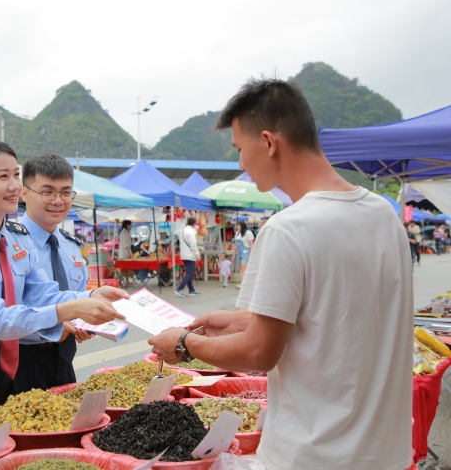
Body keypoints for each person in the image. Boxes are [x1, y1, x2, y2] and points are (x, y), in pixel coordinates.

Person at [149, 78, 413, 470]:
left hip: (313, 456)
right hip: (385, 454)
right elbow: (337, 312)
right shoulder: (384, 216)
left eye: (240, 149)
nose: (240, 163)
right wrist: (245, 319)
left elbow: (258, 353)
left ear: (269, 143)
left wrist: (186, 344)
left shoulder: (288, 229)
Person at [0, 140, 127, 427]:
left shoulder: (17, 238)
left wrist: (92, 295)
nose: (14, 186)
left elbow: (43, 294)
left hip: (7, 369)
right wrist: (71, 310)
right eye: (2, 176)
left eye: (15, 175)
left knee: (4, 451)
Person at [17, 152, 95, 391]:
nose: (58, 200)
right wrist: (49, 328)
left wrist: (85, 321)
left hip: (64, 359)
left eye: (65, 192)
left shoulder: (71, 244)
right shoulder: (10, 242)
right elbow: (2, 310)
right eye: (47, 192)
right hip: (21, 360)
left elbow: (78, 294)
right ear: (24, 193)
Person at [174, 217, 201, 297]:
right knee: (189, 273)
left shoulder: (183, 231)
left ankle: (191, 290)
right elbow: (193, 245)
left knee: (189, 272)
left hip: (184, 254)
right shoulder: (191, 232)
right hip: (190, 255)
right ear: (194, 223)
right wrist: (197, 255)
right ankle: (180, 289)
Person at [233, 221, 254, 289]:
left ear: (242, 226)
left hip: (245, 250)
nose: (237, 227)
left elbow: (251, 244)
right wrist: (234, 254)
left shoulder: (248, 233)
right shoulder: (237, 233)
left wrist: (252, 254)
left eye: (238, 226)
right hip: (239, 252)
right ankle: (243, 281)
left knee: (243, 267)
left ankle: (243, 283)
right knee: (241, 268)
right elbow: (235, 245)